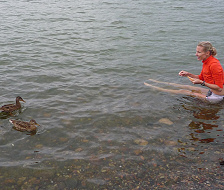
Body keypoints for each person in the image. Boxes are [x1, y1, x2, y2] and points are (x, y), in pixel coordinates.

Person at [144, 41, 224, 103]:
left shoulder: (214, 65)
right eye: (196, 51)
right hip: (212, 92)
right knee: (188, 87)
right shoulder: (206, 62)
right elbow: (201, 77)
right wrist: (188, 74)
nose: (196, 54)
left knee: (184, 91)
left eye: (199, 52)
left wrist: (201, 83)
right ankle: (157, 82)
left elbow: (219, 88)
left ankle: (155, 88)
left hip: (217, 97)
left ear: (207, 53)